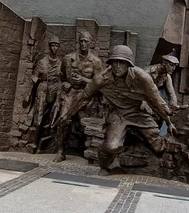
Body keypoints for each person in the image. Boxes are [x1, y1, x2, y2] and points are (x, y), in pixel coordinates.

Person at [58, 45, 176, 174]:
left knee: (158, 146)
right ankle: (104, 164)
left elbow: (157, 101)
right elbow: (83, 97)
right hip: (117, 113)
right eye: (115, 62)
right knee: (112, 146)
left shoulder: (142, 77)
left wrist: (169, 122)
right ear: (110, 63)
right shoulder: (101, 78)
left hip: (138, 112)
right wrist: (67, 115)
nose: (118, 66)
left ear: (129, 64)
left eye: (122, 63)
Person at [53, 30, 102, 162]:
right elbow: (61, 78)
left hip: (87, 96)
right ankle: (61, 151)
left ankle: (92, 152)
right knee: (63, 119)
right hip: (71, 94)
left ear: (90, 43)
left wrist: (83, 80)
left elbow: (99, 84)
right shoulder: (68, 58)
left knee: (91, 124)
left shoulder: (96, 62)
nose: (83, 44)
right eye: (81, 41)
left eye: (86, 41)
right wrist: (64, 84)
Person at [23, 36, 64, 152]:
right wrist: (28, 94)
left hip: (55, 89)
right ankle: (33, 143)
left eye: (56, 46)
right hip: (43, 88)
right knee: (39, 117)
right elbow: (34, 79)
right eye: (53, 45)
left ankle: (49, 143)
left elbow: (61, 80)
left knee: (54, 116)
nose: (54, 48)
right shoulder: (42, 62)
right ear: (49, 47)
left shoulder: (60, 64)